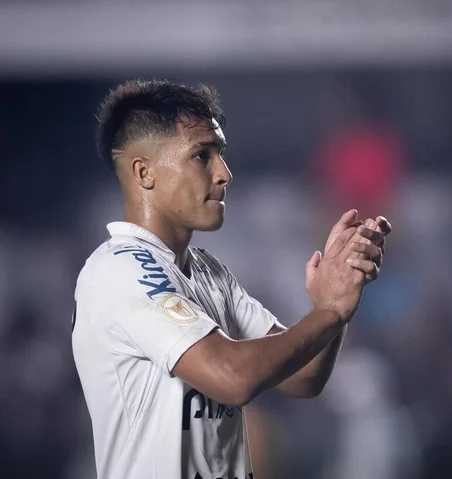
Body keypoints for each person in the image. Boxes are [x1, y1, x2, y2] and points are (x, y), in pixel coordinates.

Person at [71, 79, 391, 479]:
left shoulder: (210, 273)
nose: (225, 174)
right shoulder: (120, 270)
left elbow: (303, 376)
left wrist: (338, 303)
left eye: (220, 153)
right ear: (144, 172)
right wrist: (326, 314)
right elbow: (234, 378)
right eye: (202, 156)